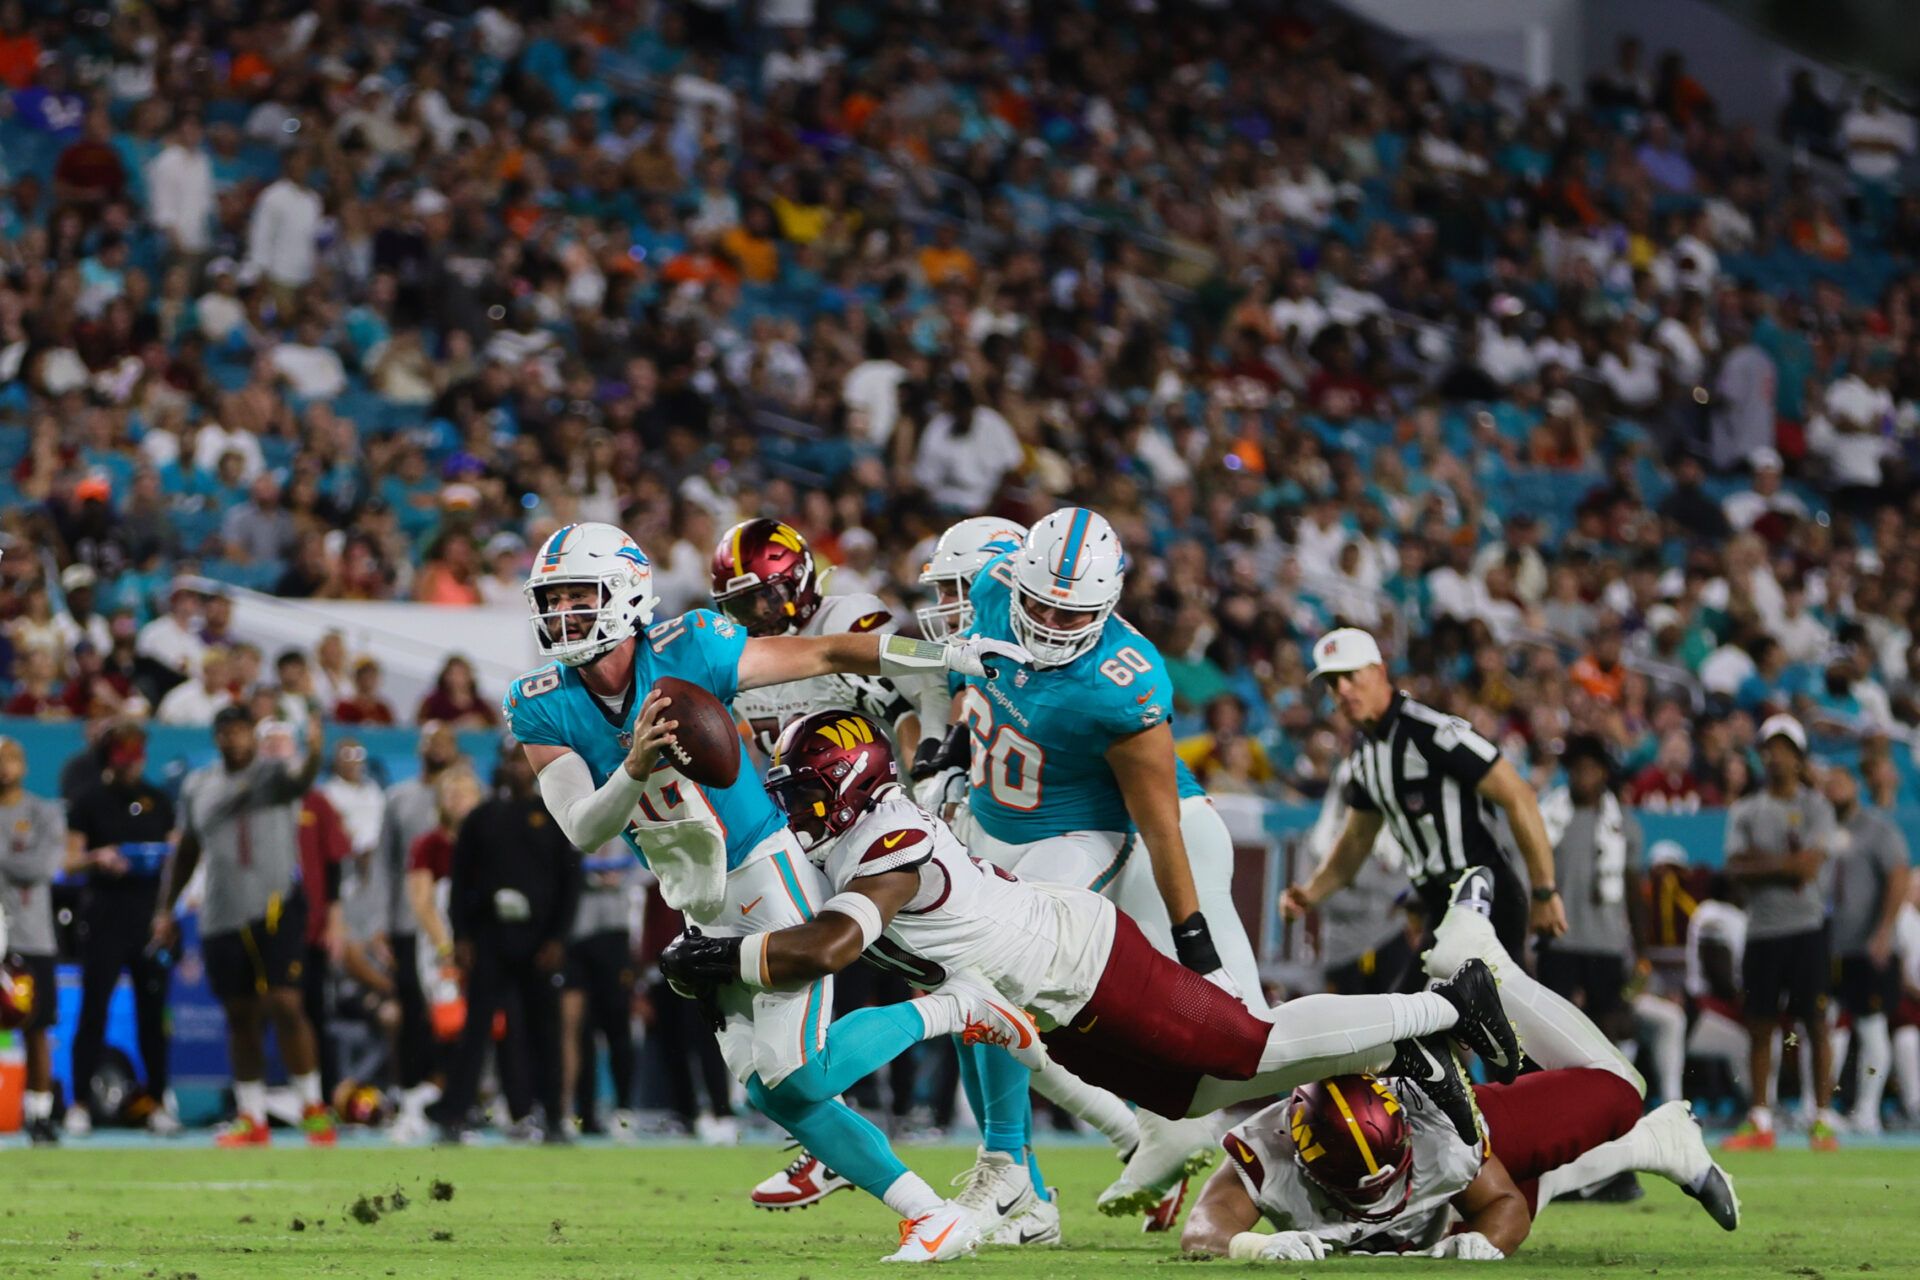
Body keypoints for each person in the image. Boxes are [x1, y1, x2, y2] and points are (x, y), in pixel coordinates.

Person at [660, 710, 1521, 1226]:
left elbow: (826, 950)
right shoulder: (851, 831)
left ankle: (1445, 1005)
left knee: (1247, 1046)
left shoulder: (886, 848)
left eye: (811, 790)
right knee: (1195, 1096)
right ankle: (1391, 1052)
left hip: (1082, 960)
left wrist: (720, 954)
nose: (800, 808)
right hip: (1050, 992)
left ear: (851, 785)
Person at [504, 520, 1029, 1262]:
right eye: (551, 598)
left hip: (763, 863)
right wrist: (634, 764)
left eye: (577, 595)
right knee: (773, 1091)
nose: (561, 614)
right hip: (693, 889)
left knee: (798, 1070)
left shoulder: (689, 649)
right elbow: (585, 830)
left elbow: (826, 649)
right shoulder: (540, 700)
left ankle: (960, 1007)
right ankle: (931, 1215)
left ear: (624, 595)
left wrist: (945, 652)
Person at [944, 507, 1271, 1235]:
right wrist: (948, 751)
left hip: (1139, 836)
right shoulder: (991, 589)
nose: (1054, 625)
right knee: (995, 994)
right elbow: (972, 691)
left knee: (1241, 1031)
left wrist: (1195, 942)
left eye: (1073, 612)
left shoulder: (1121, 678)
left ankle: (1356, 1143)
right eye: (1040, 606)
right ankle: (1133, 1137)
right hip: (1037, 831)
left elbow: (1156, 820)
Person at [1180, 871, 1739, 1261]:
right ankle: (1657, 1144)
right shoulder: (1273, 1147)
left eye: (1387, 1183)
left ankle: (1483, 961)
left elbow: (1501, 1205)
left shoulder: (1439, 1134)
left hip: (1453, 1113)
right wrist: (1253, 1244)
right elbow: (1204, 1229)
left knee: (1619, 1093)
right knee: (1487, 1198)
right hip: (1426, 1186)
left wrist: (1487, 1240)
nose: (1380, 1204)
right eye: (1361, 1191)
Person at [710, 517, 943, 1211]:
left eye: (766, 595)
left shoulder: (848, 618)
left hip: (882, 825)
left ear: (802, 579)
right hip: (809, 834)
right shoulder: (743, 655)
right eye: (741, 602)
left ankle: (1056, 1148)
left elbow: (915, 691)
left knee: (961, 974)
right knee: (793, 970)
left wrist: (930, 768)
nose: (756, 613)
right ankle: (831, 1138)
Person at [1282, 627, 1569, 960]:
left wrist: (1545, 892)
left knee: (1465, 1009)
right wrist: (1309, 893)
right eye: (1333, 683)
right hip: (1440, 906)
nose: (1343, 690)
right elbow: (1357, 840)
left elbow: (1519, 796)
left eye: (1350, 676)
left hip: (1483, 899)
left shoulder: (1432, 732)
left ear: (1379, 672)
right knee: (1424, 1007)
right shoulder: (1364, 755)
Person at [152, 707, 334, 1147]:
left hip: (275, 907)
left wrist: (314, 749)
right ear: (216, 738)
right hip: (221, 912)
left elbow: (303, 777)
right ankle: (252, 1117)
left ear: (253, 735)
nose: (232, 739)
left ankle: (312, 1107)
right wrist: (165, 909)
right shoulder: (198, 786)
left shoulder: (274, 774)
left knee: (286, 1003)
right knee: (240, 1016)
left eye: (239, 731)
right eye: (225, 732)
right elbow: (189, 850)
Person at [431, 741, 580, 1143]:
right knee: (476, 1028)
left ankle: (552, 1116)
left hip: (538, 940)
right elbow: (460, 883)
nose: (516, 768)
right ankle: (454, 1115)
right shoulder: (482, 818)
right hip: (489, 937)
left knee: (543, 1030)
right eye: (511, 760)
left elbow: (570, 882)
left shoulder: (553, 816)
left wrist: (557, 938)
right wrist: (461, 935)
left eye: (522, 760)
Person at [1722, 715, 1839, 1151]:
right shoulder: (1746, 808)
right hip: (1763, 931)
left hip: (1806, 928)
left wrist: (1760, 862)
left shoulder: (1816, 806)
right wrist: (1784, 865)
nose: (1777, 756)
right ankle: (1760, 1118)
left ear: (1799, 756)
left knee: (1816, 1023)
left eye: (1786, 748)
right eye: (1771, 748)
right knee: (1761, 1025)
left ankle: (1823, 1118)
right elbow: (1735, 870)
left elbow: (1808, 867)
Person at [64, 722, 179, 1136]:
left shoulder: (159, 801)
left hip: (149, 921)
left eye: (138, 750)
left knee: (153, 1016)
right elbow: (68, 860)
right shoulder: (89, 800)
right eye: (125, 751)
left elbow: (175, 862)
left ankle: (159, 1102)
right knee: (94, 1010)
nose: (134, 760)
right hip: (105, 919)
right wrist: (99, 857)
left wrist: (168, 913)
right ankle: (78, 1103)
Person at [381, 722, 465, 1133]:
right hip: (407, 921)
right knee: (414, 1013)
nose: (438, 747)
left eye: (445, 740)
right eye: (432, 740)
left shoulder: (470, 804)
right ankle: (410, 1095)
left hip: (457, 928)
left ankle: (452, 1096)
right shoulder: (400, 798)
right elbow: (384, 863)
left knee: (456, 1016)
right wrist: (379, 922)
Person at [1823, 767, 1909, 1134]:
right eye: (1829, 784)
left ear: (1855, 786)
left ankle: (1868, 1110)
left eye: (1841, 782)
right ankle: (1823, 1107)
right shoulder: (1820, 829)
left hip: (1866, 946)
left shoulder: (1878, 829)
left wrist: (1884, 931)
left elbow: (1898, 875)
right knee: (1825, 1026)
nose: (1835, 789)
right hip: (1829, 946)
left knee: (1871, 1026)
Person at [0, 736, 67, 1144]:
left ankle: (39, 1114)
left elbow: (41, 866)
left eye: (10, 758)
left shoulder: (42, 812)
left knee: (36, 1025)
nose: (4, 766)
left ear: (23, 765)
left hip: (31, 936)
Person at [563, 839, 640, 1138]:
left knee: (618, 1024)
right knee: (582, 1030)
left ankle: (624, 1108)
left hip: (615, 933)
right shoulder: (571, 818)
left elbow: (648, 870)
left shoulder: (628, 822)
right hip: (577, 936)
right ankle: (585, 1112)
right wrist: (589, 874)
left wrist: (621, 876)